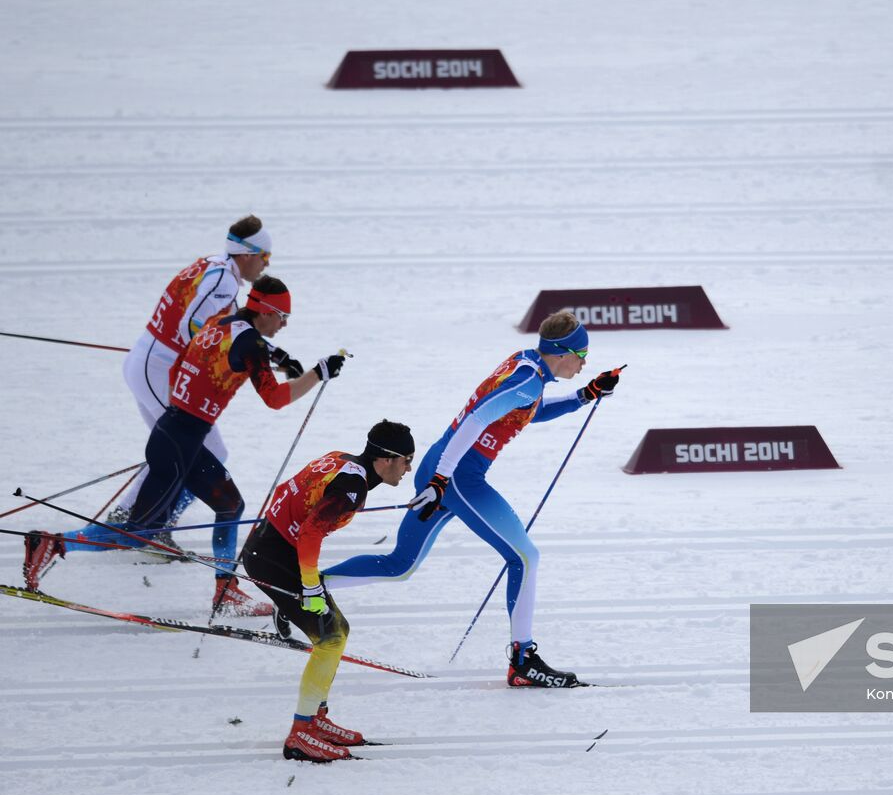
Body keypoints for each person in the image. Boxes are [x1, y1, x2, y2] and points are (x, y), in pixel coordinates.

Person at [321, 310, 623, 687]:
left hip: (442, 468)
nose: (584, 364)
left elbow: (524, 414)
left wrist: (584, 395)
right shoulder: (527, 382)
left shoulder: (526, 366)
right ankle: (524, 660)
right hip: (458, 477)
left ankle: (309, 588)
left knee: (400, 564)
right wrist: (442, 480)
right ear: (563, 353)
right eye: (583, 356)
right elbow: (474, 422)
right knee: (526, 557)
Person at [23, 277, 346, 617]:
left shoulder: (220, 322)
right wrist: (318, 372)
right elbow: (276, 399)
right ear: (264, 311)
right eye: (282, 316)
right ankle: (53, 542)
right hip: (179, 442)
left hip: (179, 435)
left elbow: (189, 362)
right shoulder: (251, 345)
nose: (284, 324)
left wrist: (270, 355)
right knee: (137, 533)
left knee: (230, 505)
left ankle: (226, 592)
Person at [99, 216, 304, 553]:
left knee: (176, 449)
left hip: (150, 360)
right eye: (265, 258)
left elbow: (231, 326)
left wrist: (272, 354)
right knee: (195, 449)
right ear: (248, 254)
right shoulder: (224, 282)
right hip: (160, 369)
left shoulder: (216, 265)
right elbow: (198, 327)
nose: (266, 265)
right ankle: (141, 527)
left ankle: (139, 523)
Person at [242, 420, 415, 762]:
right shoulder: (352, 487)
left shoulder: (344, 462)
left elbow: (291, 495)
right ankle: (300, 733)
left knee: (340, 630)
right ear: (386, 459)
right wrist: (310, 587)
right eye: (407, 460)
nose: (409, 468)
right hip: (275, 557)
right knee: (330, 638)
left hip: (273, 547)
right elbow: (309, 534)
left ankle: (316, 717)